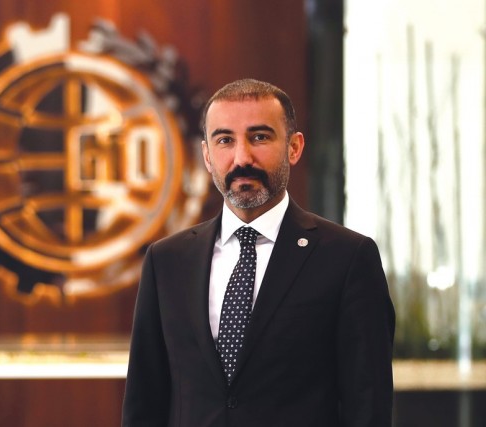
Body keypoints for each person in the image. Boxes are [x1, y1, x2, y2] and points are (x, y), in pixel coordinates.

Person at [122, 78, 395, 427]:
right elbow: (144, 401)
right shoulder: (166, 261)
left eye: (260, 137)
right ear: (207, 155)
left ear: (294, 147)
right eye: (225, 140)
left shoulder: (348, 258)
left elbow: (368, 405)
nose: (242, 158)